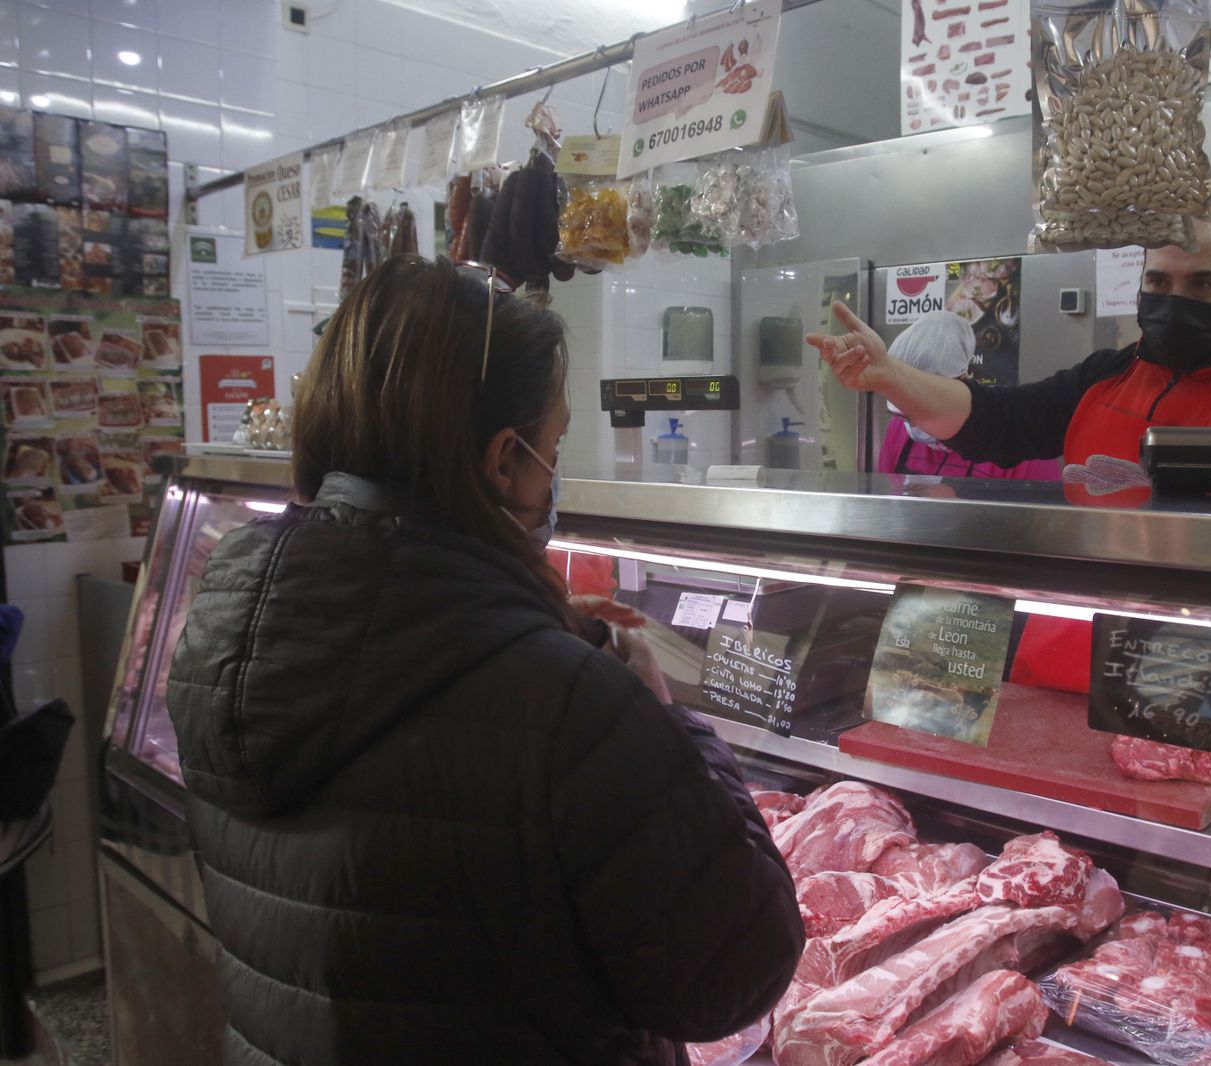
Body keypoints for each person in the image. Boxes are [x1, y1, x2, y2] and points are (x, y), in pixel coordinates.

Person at [166, 256, 804, 1066]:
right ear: (505, 461)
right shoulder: (566, 703)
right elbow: (735, 975)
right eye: (556, 442)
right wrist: (668, 722)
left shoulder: (222, 642)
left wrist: (522, 628)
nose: (554, 472)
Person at [812, 198, 1211, 504]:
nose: (1175, 301)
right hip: (1073, 634)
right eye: (1159, 281)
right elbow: (998, 420)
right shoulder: (1107, 375)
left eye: (1203, 283)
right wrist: (891, 374)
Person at [877, 310, 1063, 481]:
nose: (913, 423)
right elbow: (886, 497)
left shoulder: (1014, 438)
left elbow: (1044, 514)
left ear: (961, 383)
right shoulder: (898, 429)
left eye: (922, 406)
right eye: (904, 413)